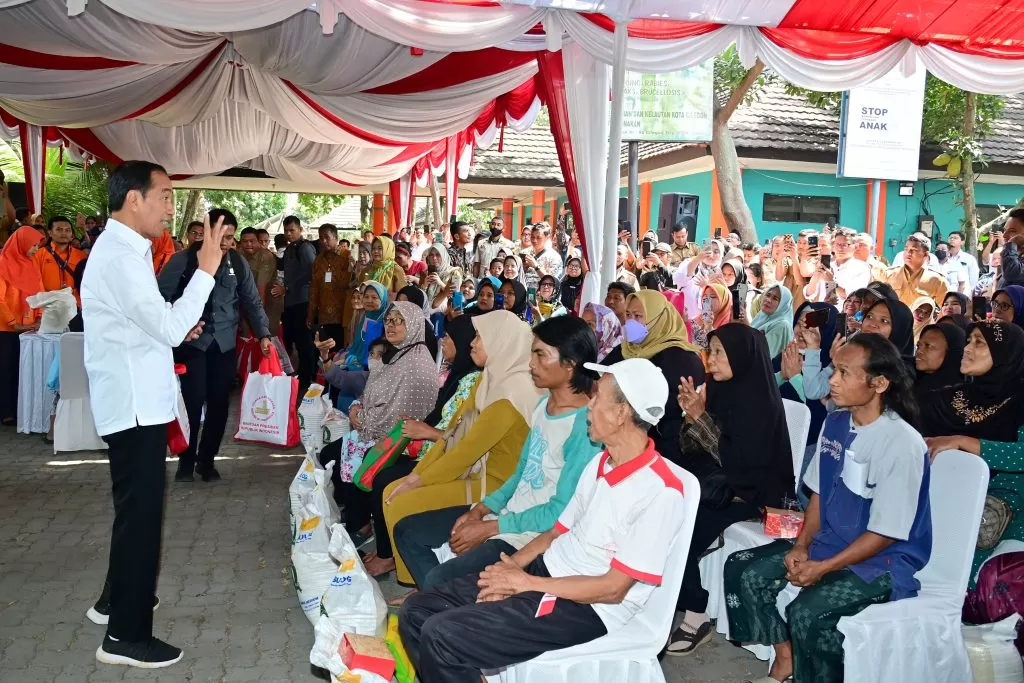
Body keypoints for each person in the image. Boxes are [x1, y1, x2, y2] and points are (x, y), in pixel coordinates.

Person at [398, 357, 687, 683]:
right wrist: (511, 569)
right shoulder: (601, 463)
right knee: (417, 610)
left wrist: (525, 584)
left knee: (442, 634)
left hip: (586, 607)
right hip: (547, 572)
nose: (588, 406)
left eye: (597, 398)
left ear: (622, 413)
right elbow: (554, 532)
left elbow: (612, 589)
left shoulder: (660, 492)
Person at [82, 161, 232, 668]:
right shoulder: (121, 257)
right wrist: (207, 269)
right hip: (133, 405)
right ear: (133, 200)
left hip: (133, 398)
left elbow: (150, 324)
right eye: (164, 195)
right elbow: (167, 327)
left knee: (134, 512)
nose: (171, 205)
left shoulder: (125, 251)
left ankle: (116, 602)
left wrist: (173, 326)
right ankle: (125, 637)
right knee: (142, 519)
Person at [725, 332, 931, 683]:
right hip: (828, 544)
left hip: (883, 560)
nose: (832, 380)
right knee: (743, 569)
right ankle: (785, 658)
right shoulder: (836, 423)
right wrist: (803, 545)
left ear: (879, 383)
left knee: (807, 611)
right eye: (834, 369)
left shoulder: (902, 444)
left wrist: (823, 568)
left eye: (844, 372)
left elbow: (885, 533)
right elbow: (818, 495)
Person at [392, 316, 602, 592]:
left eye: (541, 355)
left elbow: (560, 512)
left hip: (530, 534)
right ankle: (443, 605)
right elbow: (521, 474)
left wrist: (491, 528)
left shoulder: (585, 427)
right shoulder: (543, 407)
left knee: (439, 580)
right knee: (408, 532)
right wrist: (479, 511)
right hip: (506, 514)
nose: (531, 363)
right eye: (532, 354)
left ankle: (443, 605)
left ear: (570, 364)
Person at [382, 311, 540, 586]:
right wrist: (415, 476)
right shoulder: (487, 380)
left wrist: (416, 481)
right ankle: (422, 585)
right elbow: (452, 434)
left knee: (401, 503)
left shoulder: (511, 393)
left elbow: (465, 451)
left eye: (480, 336)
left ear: (500, 342)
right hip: (477, 472)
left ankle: (423, 588)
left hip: (496, 486)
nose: (472, 343)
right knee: (392, 492)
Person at [666, 323, 797, 655]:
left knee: (678, 534)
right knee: (664, 510)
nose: (711, 360)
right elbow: (690, 449)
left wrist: (701, 419)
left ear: (742, 355)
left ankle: (696, 614)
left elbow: (742, 463)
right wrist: (690, 416)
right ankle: (674, 595)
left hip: (754, 496)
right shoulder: (721, 389)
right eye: (710, 351)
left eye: (720, 353)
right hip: (720, 484)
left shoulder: (759, 402)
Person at [158, 209, 272, 483]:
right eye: (222, 237)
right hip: (191, 345)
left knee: (220, 405)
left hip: (223, 345)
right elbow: (159, 299)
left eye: (231, 237)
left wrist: (264, 334)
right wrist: (177, 324)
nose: (227, 243)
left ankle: (206, 461)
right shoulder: (182, 260)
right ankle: (186, 462)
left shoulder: (237, 262)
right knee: (193, 403)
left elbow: (252, 301)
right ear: (208, 232)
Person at [920, 321, 1024, 581]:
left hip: (1003, 512)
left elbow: (1020, 455)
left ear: (1004, 354)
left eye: (980, 343)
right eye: (968, 341)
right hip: (949, 497)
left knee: (959, 583)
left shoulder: (1021, 399)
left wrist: (963, 441)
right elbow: (909, 411)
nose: (967, 348)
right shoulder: (959, 396)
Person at [601, 290, 705, 466]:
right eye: (628, 314)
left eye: (638, 316)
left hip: (666, 452)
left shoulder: (681, 359)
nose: (631, 321)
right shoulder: (627, 349)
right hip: (625, 445)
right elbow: (600, 378)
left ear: (658, 319)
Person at [0, 226, 43, 425]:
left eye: (37, 245)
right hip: (6, 328)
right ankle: (6, 411)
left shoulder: (32, 263)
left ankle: (21, 410)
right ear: (21, 242)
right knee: (6, 369)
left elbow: (39, 292)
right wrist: (13, 323)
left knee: (23, 369)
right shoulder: (2, 263)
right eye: (33, 245)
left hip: (29, 327)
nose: (35, 249)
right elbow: (0, 299)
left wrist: (40, 316)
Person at [320, 281, 389, 401]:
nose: (369, 300)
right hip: (359, 359)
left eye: (374, 297)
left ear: (382, 299)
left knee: (343, 380)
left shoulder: (386, 321)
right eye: (366, 296)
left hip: (372, 370)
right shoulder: (366, 316)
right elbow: (357, 343)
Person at [277, 215, 317, 396]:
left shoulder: (305, 248)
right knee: (292, 340)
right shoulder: (289, 249)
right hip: (290, 303)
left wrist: (288, 287)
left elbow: (311, 272)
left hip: (303, 301)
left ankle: (307, 379)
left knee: (304, 344)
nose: (289, 233)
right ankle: (300, 375)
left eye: (292, 230)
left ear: (300, 230)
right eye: (286, 230)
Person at [307, 223, 350, 350]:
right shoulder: (318, 261)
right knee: (325, 352)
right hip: (324, 315)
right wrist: (311, 313)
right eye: (321, 238)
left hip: (342, 314)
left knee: (341, 353)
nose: (324, 241)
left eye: (327, 237)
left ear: (336, 237)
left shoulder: (347, 256)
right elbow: (314, 288)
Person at [238, 226, 282, 344]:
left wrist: (258, 316)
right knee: (246, 336)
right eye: (245, 241)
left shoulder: (266, 256)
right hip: (247, 299)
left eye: (252, 241)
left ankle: (274, 361)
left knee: (267, 336)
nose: (248, 244)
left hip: (268, 300)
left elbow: (261, 286)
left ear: (258, 241)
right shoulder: (239, 254)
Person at [885, 234, 948, 308]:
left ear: (925, 254)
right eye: (906, 249)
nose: (908, 253)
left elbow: (946, 308)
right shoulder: (889, 274)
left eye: (914, 250)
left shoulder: (937, 280)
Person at [914, 322, 966, 409]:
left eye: (928, 346)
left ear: (951, 353)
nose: (919, 351)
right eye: (919, 345)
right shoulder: (908, 379)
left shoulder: (956, 398)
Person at [34, 215, 86, 303]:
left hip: (75, 305)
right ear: (50, 232)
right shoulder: (38, 255)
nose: (64, 233)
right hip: (48, 306)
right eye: (59, 229)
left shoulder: (81, 256)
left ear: (71, 234)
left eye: (67, 230)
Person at [751, 284, 795, 358]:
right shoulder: (762, 316)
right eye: (768, 295)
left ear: (783, 305)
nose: (768, 300)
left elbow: (761, 353)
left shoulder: (782, 326)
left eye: (775, 299)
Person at [424, 244, 463, 314]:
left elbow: (455, 295)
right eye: (431, 255)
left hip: (446, 310)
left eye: (438, 255)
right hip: (429, 307)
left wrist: (440, 283)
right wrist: (424, 285)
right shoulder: (429, 271)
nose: (434, 258)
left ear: (444, 255)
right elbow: (424, 295)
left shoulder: (455, 272)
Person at [693, 283, 733, 349]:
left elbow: (720, 350)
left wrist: (709, 328)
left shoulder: (731, 324)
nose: (707, 299)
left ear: (724, 300)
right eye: (704, 296)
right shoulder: (697, 320)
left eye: (713, 296)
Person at [998, 209, 1024, 288]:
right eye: (1005, 230)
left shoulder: (1010, 257)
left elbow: (1011, 274)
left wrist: (1012, 244)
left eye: (1012, 231)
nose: (1004, 235)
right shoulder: (1014, 257)